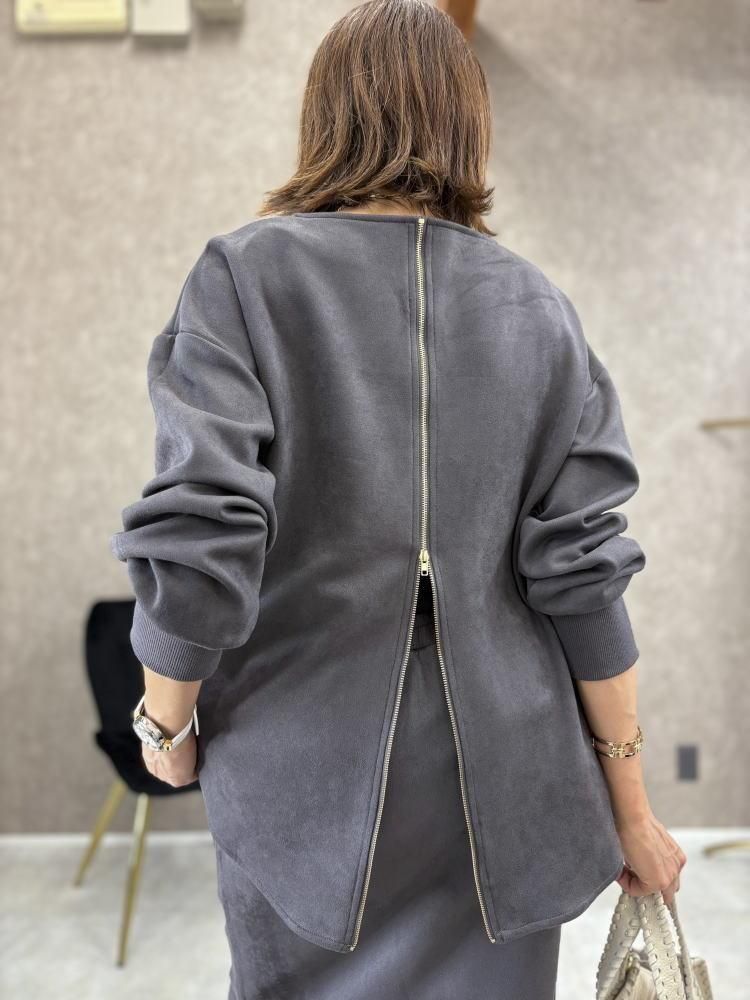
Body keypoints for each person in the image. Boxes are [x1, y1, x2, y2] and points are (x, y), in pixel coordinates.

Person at [110, 2, 686, 997]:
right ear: (467, 121)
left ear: (326, 112)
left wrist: (167, 723)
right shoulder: (540, 310)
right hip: (504, 787)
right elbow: (584, 579)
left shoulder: (244, 278)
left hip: (302, 767)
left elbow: (205, 529)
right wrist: (632, 809)